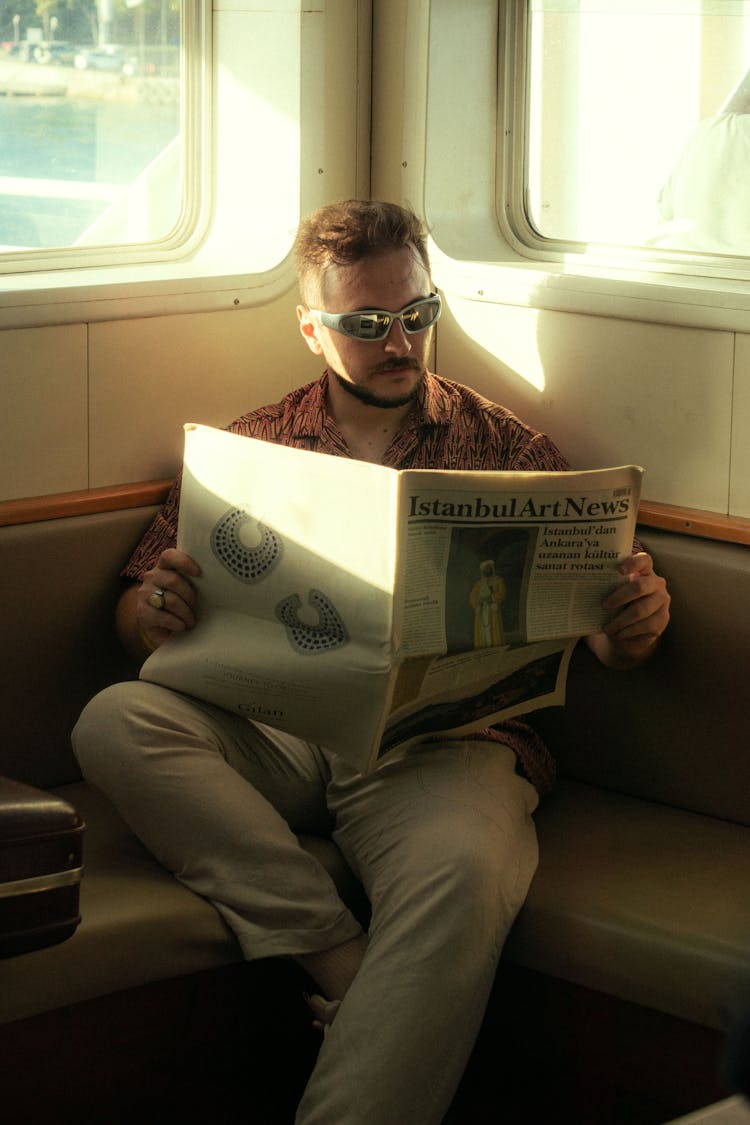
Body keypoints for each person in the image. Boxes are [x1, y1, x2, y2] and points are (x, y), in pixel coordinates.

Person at [72, 200, 671, 1125]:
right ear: (313, 328)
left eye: (416, 315)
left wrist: (631, 625)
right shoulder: (254, 446)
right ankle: (330, 947)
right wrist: (151, 608)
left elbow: (604, 632)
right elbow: (135, 606)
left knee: (465, 875)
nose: (399, 343)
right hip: (288, 736)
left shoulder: (507, 447)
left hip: (448, 751)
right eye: (365, 325)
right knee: (114, 718)